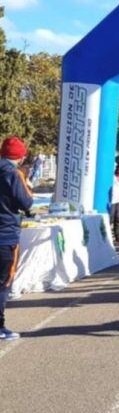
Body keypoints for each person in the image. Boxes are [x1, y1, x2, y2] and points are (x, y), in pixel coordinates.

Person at [0, 137, 33, 340]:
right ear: (20, 157)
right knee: (3, 282)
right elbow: (26, 201)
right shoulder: (13, 173)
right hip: (5, 235)